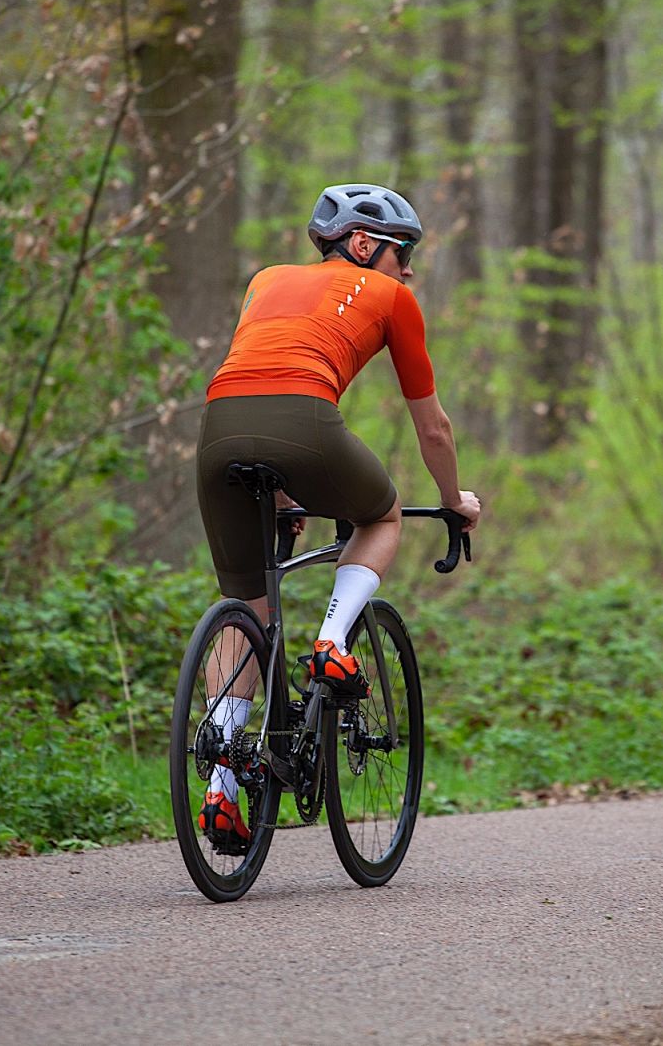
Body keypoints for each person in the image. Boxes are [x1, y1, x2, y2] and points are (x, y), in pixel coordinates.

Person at [194, 183, 482, 851]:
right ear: (361, 244)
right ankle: (332, 642)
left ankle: (221, 791)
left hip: (218, 434)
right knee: (380, 517)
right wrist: (453, 500)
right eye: (401, 252)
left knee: (247, 605)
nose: (407, 269)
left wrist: (288, 497)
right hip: (306, 422)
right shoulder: (392, 299)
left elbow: (260, 375)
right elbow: (433, 428)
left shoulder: (264, 281)